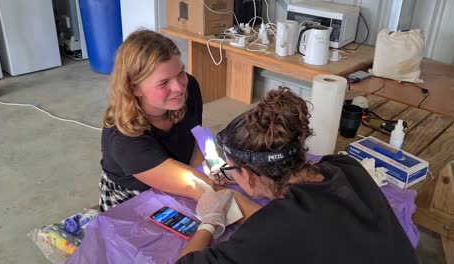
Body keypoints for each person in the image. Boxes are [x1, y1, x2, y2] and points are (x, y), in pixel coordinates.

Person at [178, 87, 418, 263]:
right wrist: (235, 177)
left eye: (232, 169)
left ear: (250, 176)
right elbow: (304, 224)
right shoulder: (345, 166)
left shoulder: (271, 231)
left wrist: (210, 221)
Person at [99, 30, 213, 211]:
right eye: (163, 83)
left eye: (181, 72)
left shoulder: (188, 86)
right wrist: (205, 181)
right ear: (134, 88)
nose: (179, 87)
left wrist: (209, 166)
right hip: (133, 199)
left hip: (179, 171)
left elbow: (197, 134)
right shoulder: (124, 139)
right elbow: (196, 187)